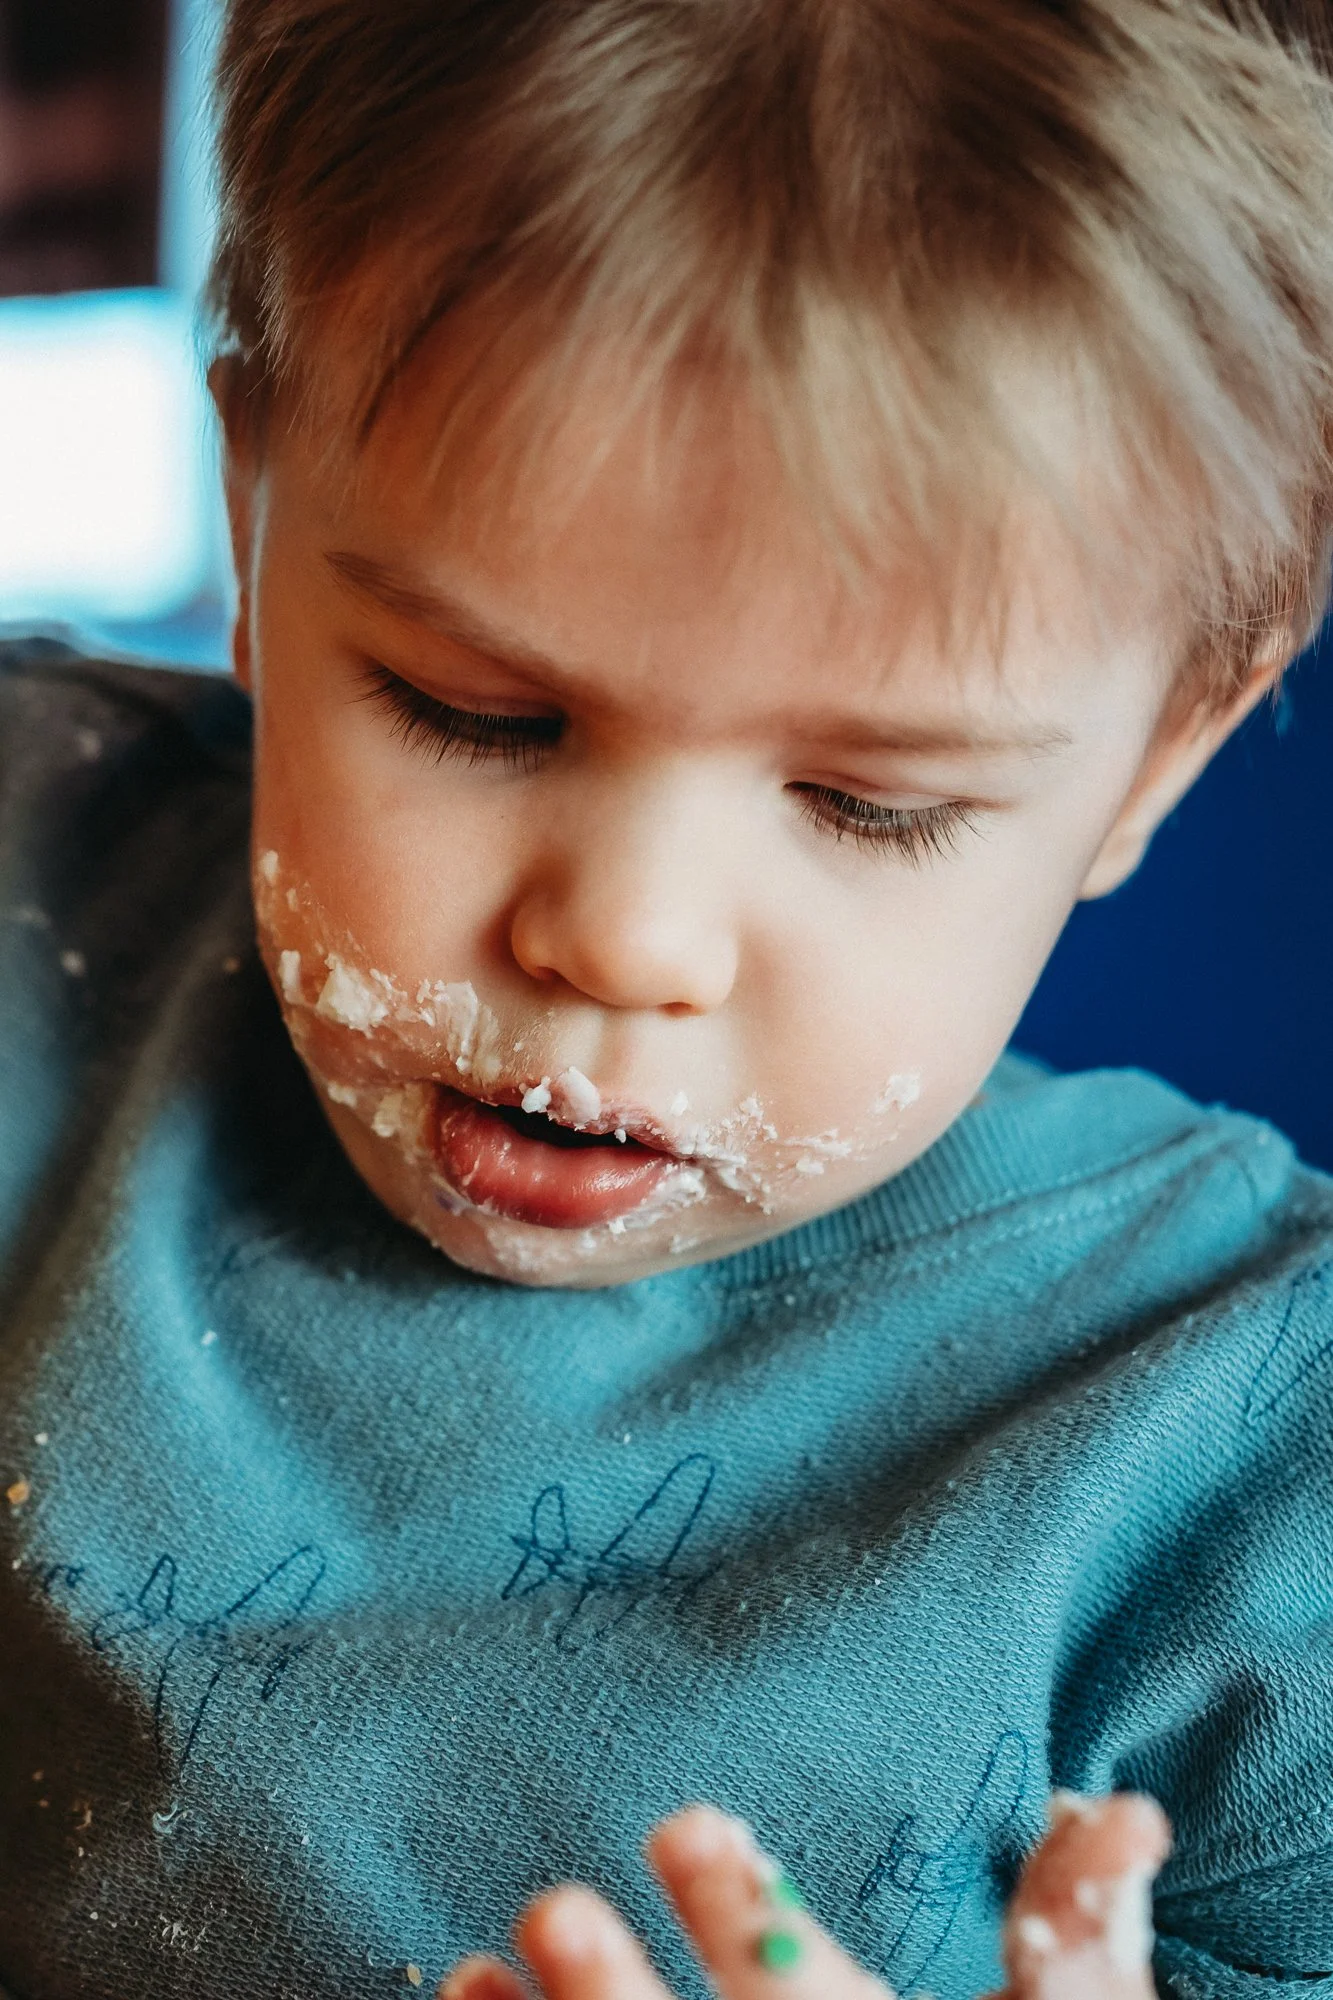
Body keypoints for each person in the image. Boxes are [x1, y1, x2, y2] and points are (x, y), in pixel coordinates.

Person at [2, 0, 1332, 1993]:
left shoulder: (1246, 1451)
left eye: (868, 805)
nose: (625, 941)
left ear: (1157, 758)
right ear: (253, 518)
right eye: (474, 711)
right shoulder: (37, 895)